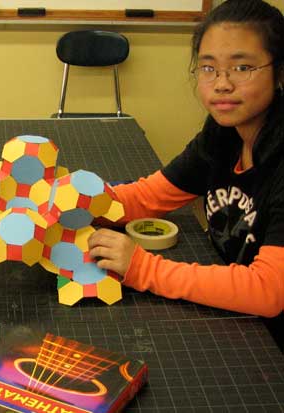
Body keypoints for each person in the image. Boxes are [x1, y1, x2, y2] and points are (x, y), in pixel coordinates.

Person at [88, 0, 283, 350]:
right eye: (208, 68)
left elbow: (269, 290)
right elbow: (149, 196)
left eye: (242, 67)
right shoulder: (223, 133)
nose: (222, 84)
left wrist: (143, 269)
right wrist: (74, 201)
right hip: (237, 319)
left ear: (279, 71)